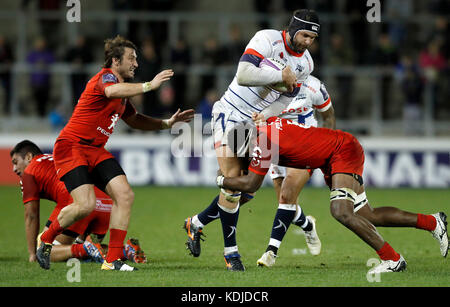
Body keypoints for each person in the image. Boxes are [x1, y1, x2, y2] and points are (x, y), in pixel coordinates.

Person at [36, 35, 195, 271]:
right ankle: (46, 240)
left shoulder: (122, 95)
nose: (136, 64)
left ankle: (112, 260)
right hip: (72, 147)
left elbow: (135, 119)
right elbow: (111, 92)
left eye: (136, 59)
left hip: (95, 150)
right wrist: (149, 85)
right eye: (131, 58)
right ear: (115, 61)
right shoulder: (105, 79)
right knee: (86, 205)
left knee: (125, 195)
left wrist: (166, 124)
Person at [215, 116, 448, 273]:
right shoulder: (267, 127)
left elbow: (253, 184)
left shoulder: (262, 142)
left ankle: (393, 260)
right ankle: (432, 222)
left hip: (341, 152)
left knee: (341, 212)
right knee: (368, 214)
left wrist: (222, 180)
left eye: (242, 152)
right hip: (336, 152)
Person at [183, 9, 320, 271]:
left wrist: (265, 115)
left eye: (312, 38)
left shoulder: (307, 64)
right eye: (304, 35)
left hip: (256, 123)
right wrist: (280, 75)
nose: (307, 42)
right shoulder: (266, 40)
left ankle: (196, 223)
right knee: (233, 184)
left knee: (248, 191)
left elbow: (287, 98)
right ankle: (231, 253)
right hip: (230, 113)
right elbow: (244, 74)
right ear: (292, 29)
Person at [257, 74, 335, 267]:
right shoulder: (266, 84)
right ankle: (308, 225)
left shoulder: (314, 85)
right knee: (286, 205)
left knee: (286, 196)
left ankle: (271, 252)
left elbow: (328, 115)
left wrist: (327, 145)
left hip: (305, 146)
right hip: (276, 146)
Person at [10, 140, 108, 264]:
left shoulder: (29, 172)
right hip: (105, 202)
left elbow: (31, 215)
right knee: (89, 252)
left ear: (29, 157)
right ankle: (125, 251)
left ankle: (84, 248)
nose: (14, 169)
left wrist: (33, 254)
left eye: (15, 162)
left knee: (45, 251)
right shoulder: (54, 158)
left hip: (78, 202)